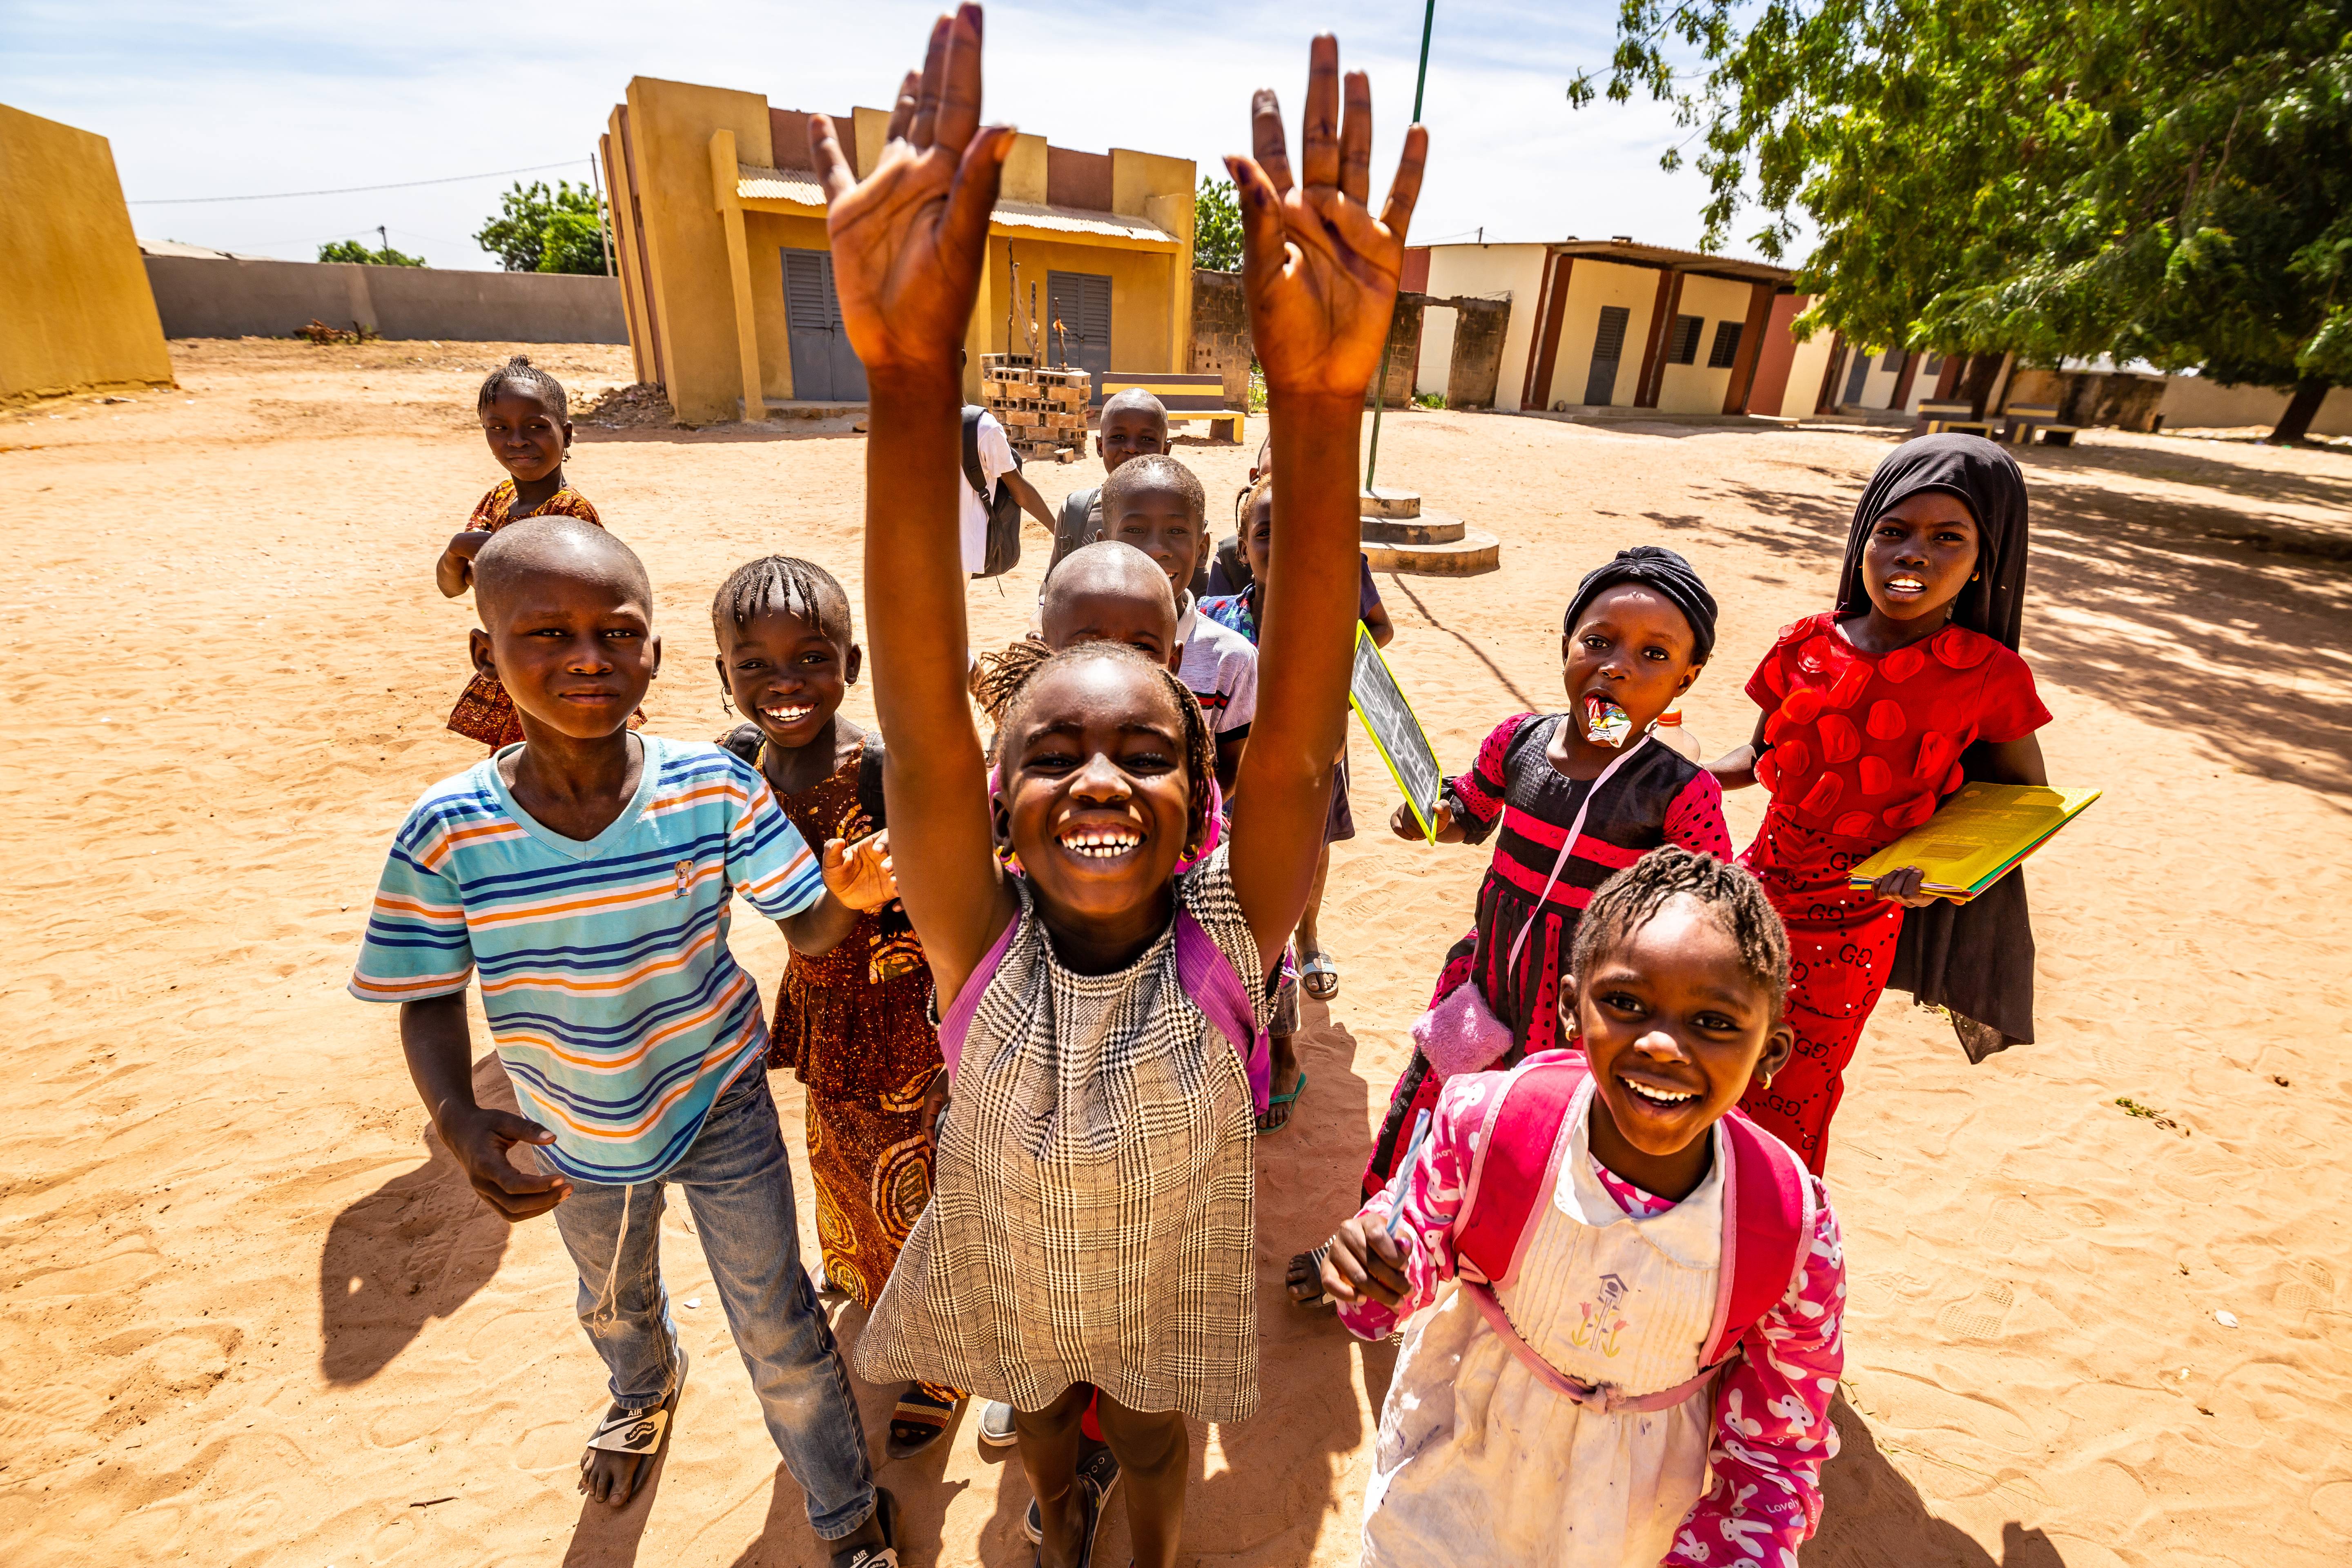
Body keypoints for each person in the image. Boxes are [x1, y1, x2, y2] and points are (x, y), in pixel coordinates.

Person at [804, 16, 1425, 1568]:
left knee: (1152, 1441)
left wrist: (1322, 407)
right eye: (1055, 751)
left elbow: (1294, 735)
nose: (1100, 777)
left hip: (1161, 1279)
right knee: (1036, 1436)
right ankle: (1056, 1508)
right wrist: (902, 381)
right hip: (1010, 1266)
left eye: (1149, 751)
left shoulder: (1229, 923)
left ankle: (1140, 1541)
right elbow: (916, 712)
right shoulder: (974, 929)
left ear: (1202, 781)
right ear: (990, 795)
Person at [350, 518, 902, 1568]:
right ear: (487, 657)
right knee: (609, 1294)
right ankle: (641, 1389)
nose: (587, 656)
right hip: (564, 1122)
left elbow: (808, 925)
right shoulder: (448, 825)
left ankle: (841, 1510)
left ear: (653, 651)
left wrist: (845, 896)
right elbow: (426, 991)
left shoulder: (712, 787)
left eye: (617, 630)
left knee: (779, 1318)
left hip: (717, 1099)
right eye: (546, 633)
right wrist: (458, 1114)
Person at [1318, 847, 1844, 1568]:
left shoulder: (1792, 1229)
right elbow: (1398, 1285)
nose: (1661, 1045)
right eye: (1626, 1004)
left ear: (1772, 1051)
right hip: (1450, 1488)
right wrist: (1370, 1272)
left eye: (1716, 1023)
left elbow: (1778, 1454)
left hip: (1630, 1526)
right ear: (1571, 1007)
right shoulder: (1486, 1122)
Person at [1293, 546, 1731, 1307]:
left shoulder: (1679, 793)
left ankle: (1512, 1281)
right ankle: (1371, 1263)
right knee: (1429, 1118)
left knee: (1541, 1143)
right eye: (1598, 641)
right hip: (1486, 986)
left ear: (1685, 680)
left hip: (1581, 1019)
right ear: (1567, 645)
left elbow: (1708, 912)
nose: (1617, 668)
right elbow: (1472, 808)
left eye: (1653, 654)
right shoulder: (1521, 741)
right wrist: (1434, 814)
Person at [1707, 433, 2051, 1174]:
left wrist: (1937, 869)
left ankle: (1770, 1250)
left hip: (1857, 922)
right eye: (1892, 532)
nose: (1913, 555)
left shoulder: (1990, 675)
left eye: (1947, 538)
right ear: (1863, 539)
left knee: (1789, 1091)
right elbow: (1759, 755)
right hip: (1750, 897)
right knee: (1708, 1067)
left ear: (1983, 561)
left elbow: (2025, 802)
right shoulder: (1805, 645)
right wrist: (1684, 776)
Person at [707, 554, 962, 1461]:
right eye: (756, 666)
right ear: (722, 675)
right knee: (836, 1152)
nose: (786, 685)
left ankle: (941, 1351)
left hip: (899, 1005)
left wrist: (882, 885)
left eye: (812, 659)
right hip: (820, 998)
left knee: (918, 1172)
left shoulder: (880, 766)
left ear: (851, 663)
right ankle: (860, 1274)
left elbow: (948, 877)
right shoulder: (736, 764)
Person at [1200, 474, 1392, 1132]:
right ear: (1242, 547)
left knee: (1288, 902)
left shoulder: (1334, 608)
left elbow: (1377, 642)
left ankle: (1283, 1042)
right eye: (1264, 535)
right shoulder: (1221, 619)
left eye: (1298, 534)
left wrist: (1347, 666)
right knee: (1239, 926)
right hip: (1230, 798)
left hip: (1309, 779)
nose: (1281, 547)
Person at [438, 356, 625, 751]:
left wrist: (486, 560)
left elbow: (568, 598)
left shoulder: (570, 513)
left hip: (562, 669)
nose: (518, 440)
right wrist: (458, 550)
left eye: (537, 427)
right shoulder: (498, 499)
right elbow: (451, 587)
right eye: (499, 428)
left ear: (568, 434)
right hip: (515, 663)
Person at [1101, 452, 1258, 793]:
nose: (1157, 549)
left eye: (1176, 531)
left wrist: (1188, 823)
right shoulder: (1077, 642)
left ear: (1202, 549)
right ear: (1104, 544)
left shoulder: (1231, 659)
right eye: (1135, 530)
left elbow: (1232, 767)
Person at [1042, 389, 1185, 587]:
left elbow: (1197, 590)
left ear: (1166, 451)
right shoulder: (1077, 510)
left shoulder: (1183, 514)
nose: (1132, 448)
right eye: (1118, 437)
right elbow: (1053, 581)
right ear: (1100, 447)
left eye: (1147, 439)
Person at [958, 399, 1056, 575]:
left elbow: (1020, 491)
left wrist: (1060, 533)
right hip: (959, 554)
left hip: (937, 554)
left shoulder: (982, 429)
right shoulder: (982, 427)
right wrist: (1061, 533)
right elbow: (1020, 491)